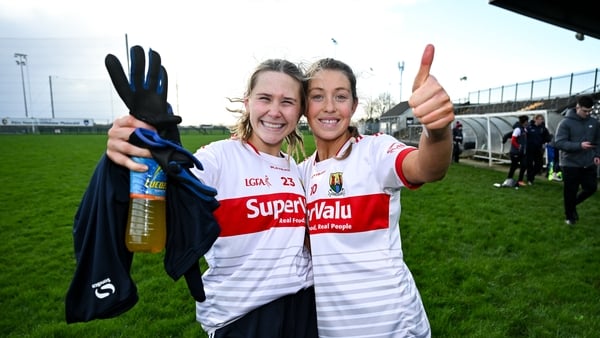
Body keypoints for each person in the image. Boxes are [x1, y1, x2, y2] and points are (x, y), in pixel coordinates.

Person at [106, 59, 318, 337]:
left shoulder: (295, 169)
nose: (275, 111)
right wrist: (131, 155)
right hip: (242, 317)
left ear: (300, 111)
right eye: (265, 98)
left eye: (287, 102)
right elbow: (166, 194)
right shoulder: (217, 158)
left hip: (304, 311)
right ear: (248, 103)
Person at [300, 44, 454, 337]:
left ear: (354, 105)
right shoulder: (301, 173)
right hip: (330, 328)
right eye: (318, 96)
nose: (330, 106)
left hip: (391, 323)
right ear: (305, 106)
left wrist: (437, 131)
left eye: (341, 96)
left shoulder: (375, 151)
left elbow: (427, 167)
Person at [553, 95, 600, 225]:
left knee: (591, 188)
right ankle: (570, 216)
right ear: (577, 107)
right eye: (585, 111)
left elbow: (597, 141)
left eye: (590, 111)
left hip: (589, 162)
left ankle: (571, 205)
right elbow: (559, 143)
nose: (587, 114)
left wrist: (597, 155)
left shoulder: (594, 122)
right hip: (570, 164)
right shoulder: (565, 123)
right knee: (570, 191)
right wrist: (579, 146)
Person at [525, 113, 551, 185]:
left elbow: (548, 137)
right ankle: (530, 179)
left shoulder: (543, 129)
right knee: (529, 164)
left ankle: (531, 175)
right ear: (535, 119)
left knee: (539, 165)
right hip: (529, 149)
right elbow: (524, 136)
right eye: (539, 119)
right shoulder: (529, 127)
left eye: (542, 119)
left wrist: (543, 141)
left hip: (538, 149)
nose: (541, 121)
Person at [503, 115, 529, 188]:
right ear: (525, 121)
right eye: (527, 121)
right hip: (515, 152)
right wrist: (518, 147)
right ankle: (509, 179)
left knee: (524, 165)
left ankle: (520, 180)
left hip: (522, 152)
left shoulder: (524, 129)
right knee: (514, 166)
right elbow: (513, 140)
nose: (528, 123)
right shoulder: (518, 129)